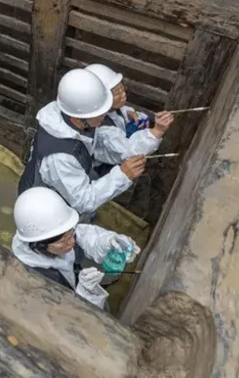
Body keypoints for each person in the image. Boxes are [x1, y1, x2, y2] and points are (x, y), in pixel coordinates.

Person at [18, 68, 146, 216]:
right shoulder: (61, 158)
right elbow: (83, 201)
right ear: (78, 118)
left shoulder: (70, 115)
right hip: (44, 206)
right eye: (100, 114)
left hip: (65, 186)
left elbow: (94, 144)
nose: (104, 117)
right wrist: (122, 175)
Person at [12, 187, 140, 309]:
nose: (72, 241)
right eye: (64, 240)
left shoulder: (52, 236)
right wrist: (84, 295)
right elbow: (63, 317)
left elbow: (83, 235)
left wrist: (108, 241)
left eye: (71, 233)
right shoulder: (35, 280)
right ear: (39, 245)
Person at [83, 64, 175, 170]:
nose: (123, 94)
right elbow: (129, 151)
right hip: (106, 171)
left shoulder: (111, 110)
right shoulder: (101, 130)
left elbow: (123, 113)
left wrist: (134, 115)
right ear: (101, 99)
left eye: (122, 88)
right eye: (117, 93)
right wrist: (157, 131)